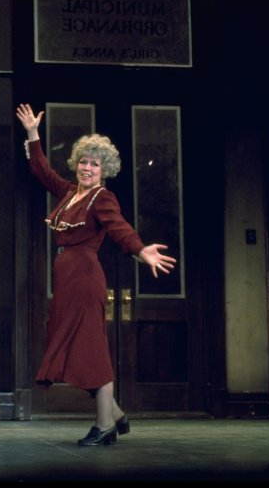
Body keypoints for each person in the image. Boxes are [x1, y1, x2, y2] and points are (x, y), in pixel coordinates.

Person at [15, 103, 176, 446]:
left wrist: (140, 249)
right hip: (67, 281)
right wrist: (32, 134)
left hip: (86, 279)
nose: (88, 168)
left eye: (95, 164)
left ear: (105, 170)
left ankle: (105, 425)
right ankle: (116, 413)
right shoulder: (70, 192)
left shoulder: (103, 198)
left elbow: (119, 229)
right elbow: (41, 169)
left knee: (92, 350)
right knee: (76, 349)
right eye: (84, 162)